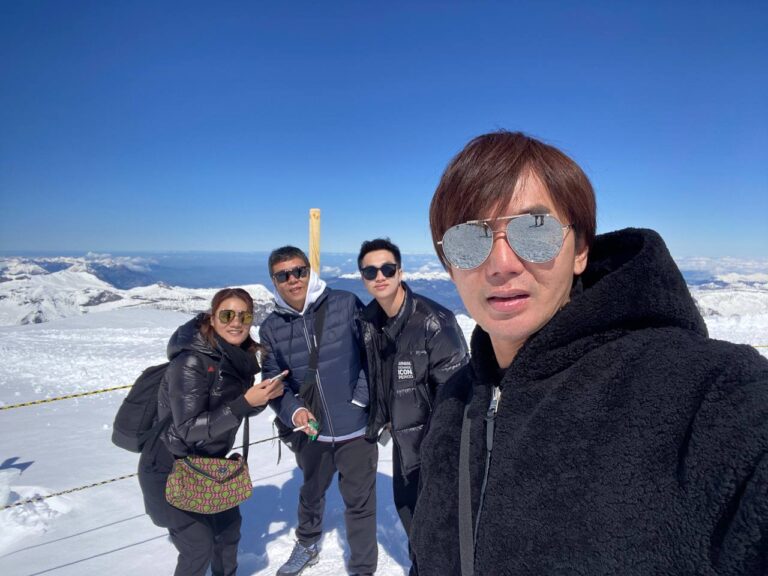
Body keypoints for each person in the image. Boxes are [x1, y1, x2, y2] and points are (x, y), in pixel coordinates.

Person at [410, 131, 768, 576]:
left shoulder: (706, 391)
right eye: (469, 240)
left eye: (534, 231)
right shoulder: (453, 403)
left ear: (579, 250)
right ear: (449, 264)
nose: (502, 264)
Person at [138, 288, 285, 576]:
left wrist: (261, 398)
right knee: (198, 547)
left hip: (209, 467)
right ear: (212, 318)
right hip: (170, 468)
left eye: (244, 316)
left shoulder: (237, 358)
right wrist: (245, 403)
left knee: (228, 534)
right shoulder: (191, 362)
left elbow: (232, 411)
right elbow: (188, 428)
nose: (236, 322)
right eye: (227, 315)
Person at [260, 246, 378, 576]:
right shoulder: (271, 328)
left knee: (359, 502)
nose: (293, 279)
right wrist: (294, 412)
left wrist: (361, 400)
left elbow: (372, 356)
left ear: (309, 271)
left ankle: (363, 568)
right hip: (312, 431)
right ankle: (308, 543)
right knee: (311, 492)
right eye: (283, 275)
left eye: (299, 271)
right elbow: (274, 383)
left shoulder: (345, 303)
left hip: (356, 428)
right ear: (274, 281)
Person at [357, 237, 468, 573]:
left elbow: (458, 395)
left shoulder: (435, 322)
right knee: (408, 512)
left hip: (436, 448)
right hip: (403, 441)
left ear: (400, 272)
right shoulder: (369, 322)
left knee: (442, 527)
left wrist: (441, 451)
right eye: (370, 271)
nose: (380, 276)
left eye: (387, 268)